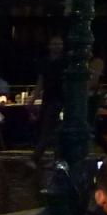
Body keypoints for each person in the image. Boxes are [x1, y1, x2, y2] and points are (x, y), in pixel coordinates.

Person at [30, 36, 66, 165]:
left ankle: (37, 158)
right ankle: (52, 159)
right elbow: (40, 82)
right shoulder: (45, 62)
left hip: (60, 98)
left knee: (51, 130)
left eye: (60, 44)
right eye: (55, 44)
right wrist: (33, 98)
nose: (58, 46)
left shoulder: (65, 61)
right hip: (49, 98)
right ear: (49, 46)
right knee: (47, 129)